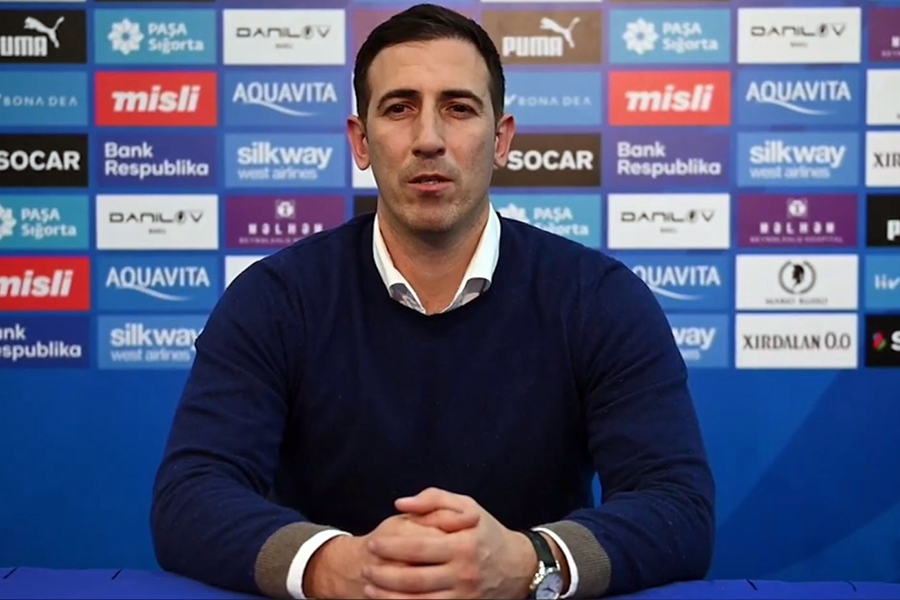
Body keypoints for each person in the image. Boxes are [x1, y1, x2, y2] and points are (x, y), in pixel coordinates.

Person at [150, 4, 716, 599]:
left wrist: (527, 563)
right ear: (361, 141)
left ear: (501, 139)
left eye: (458, 108)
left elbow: (677, 505)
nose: (428, 139)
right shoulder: (275, 299)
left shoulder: (597, 298)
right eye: (399, 108)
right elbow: (190, 494)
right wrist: (335, 566)